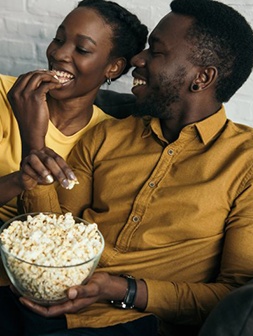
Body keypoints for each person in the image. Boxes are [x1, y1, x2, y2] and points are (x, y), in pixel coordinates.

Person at [1, 0, 253, 336]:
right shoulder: (107, 136)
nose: (136, 60)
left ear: (202, 78)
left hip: (129, 323)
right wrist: (36, 149)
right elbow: (53, 232)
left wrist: (123, 289)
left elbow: (237, 294)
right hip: (42, 299)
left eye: (156, 52)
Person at [0, 0, 148, 223]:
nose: (59, 54)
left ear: (113, 67)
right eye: (58, 40)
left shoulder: (108, 136)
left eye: (82, 49)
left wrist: (33, 143)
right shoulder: (4, 92)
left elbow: (56, 234)